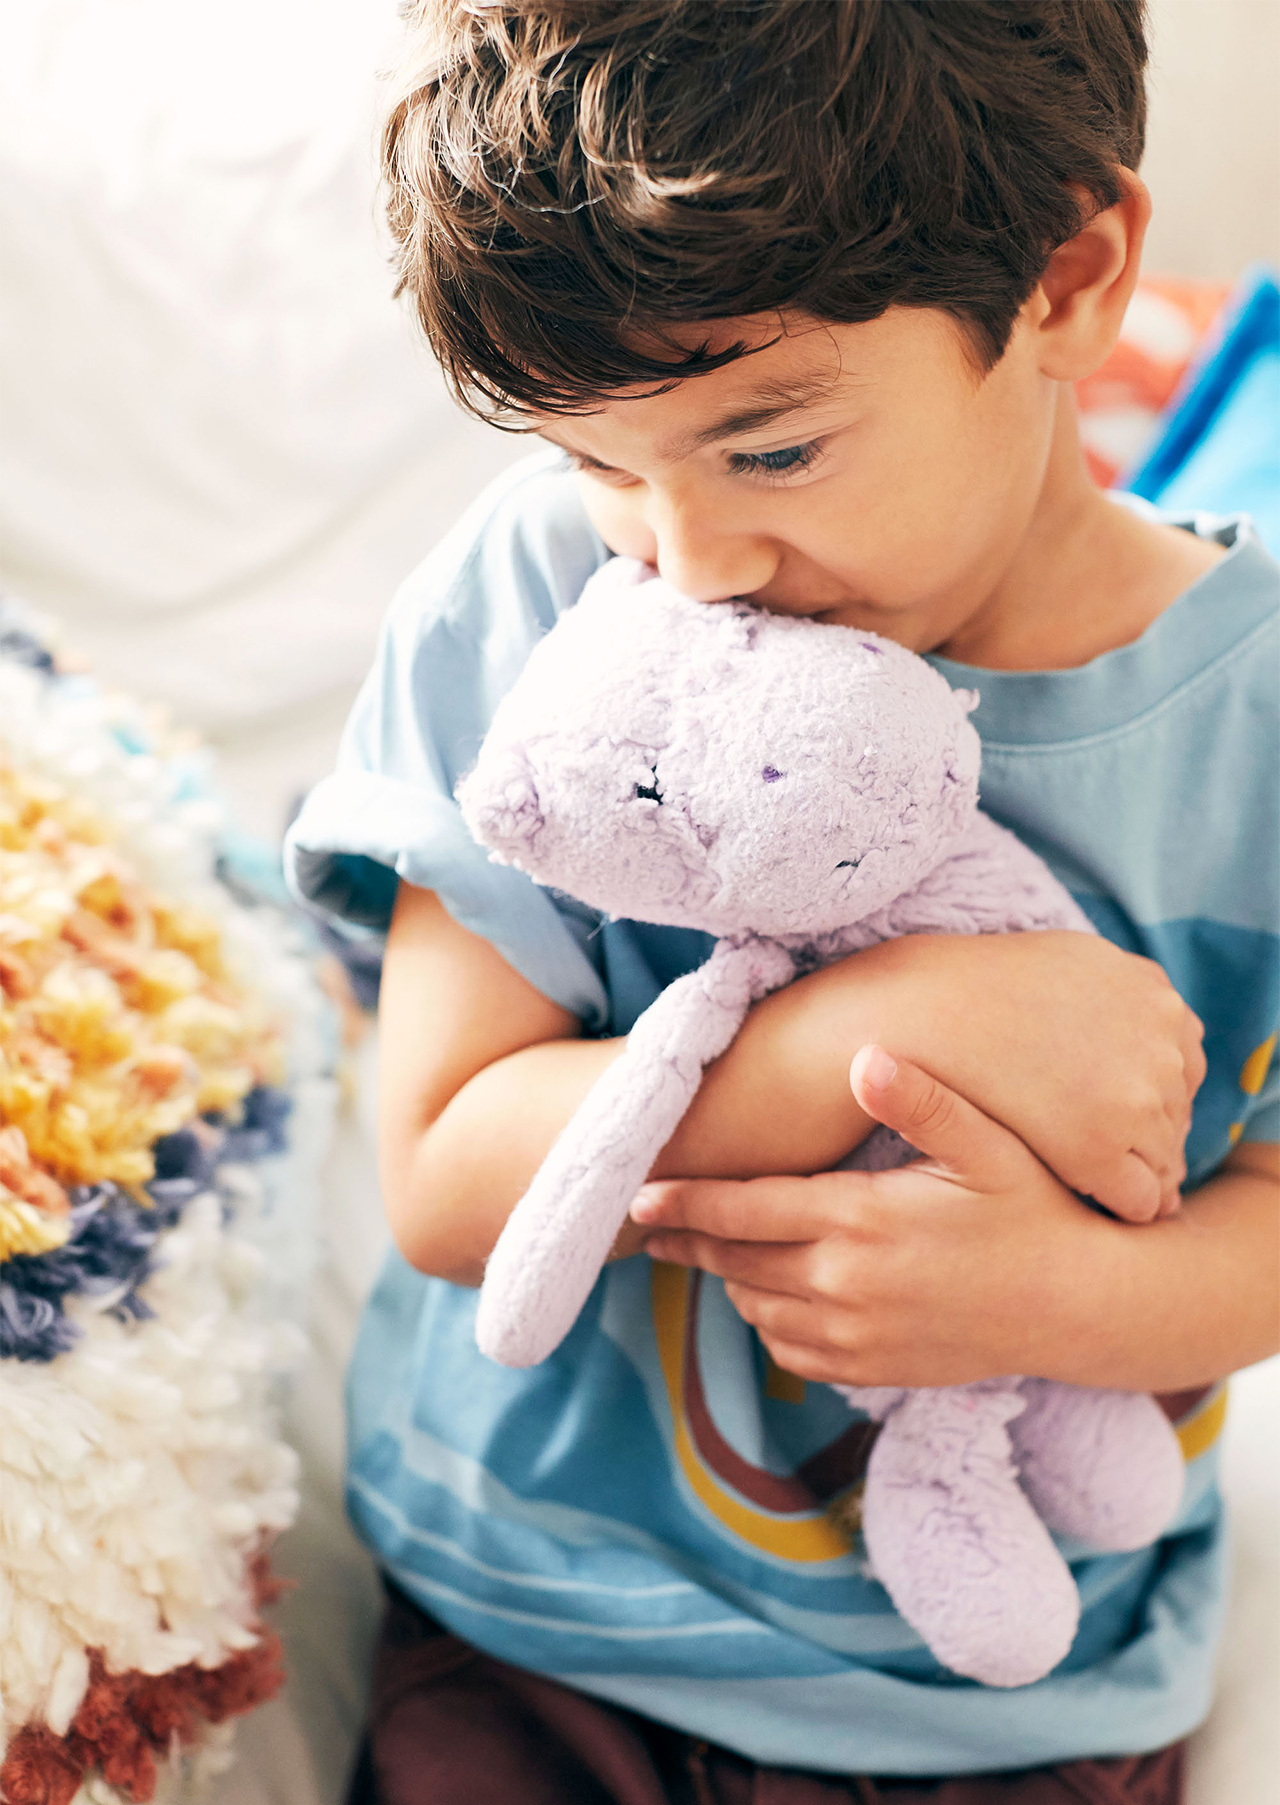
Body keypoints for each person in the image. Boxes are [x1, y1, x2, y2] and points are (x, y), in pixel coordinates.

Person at [284, 4, 1279, 1800]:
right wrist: (869, 1035)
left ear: (1068, 278)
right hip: (540, 1619)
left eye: (771, 453)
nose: (690, 561)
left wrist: (1063, 1300)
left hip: (1013, 1698)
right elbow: (440, 1164)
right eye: (601, 460)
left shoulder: (1257, 725)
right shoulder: (527, 602)